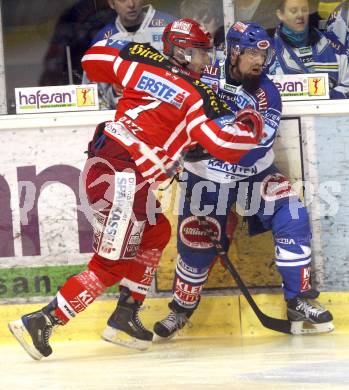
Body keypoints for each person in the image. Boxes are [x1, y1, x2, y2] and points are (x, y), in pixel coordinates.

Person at [8, 18, 265, 359]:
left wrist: (128, 52)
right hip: (123, 179)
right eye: (203, 53)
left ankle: (126, 315)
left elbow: (92, 61)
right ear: (185, 52)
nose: (209, 61)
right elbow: (228, 143)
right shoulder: (196, 96)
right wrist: (252, 121)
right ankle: (43, 320)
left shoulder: (142, 60)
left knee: (156, 232)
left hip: (110, 165)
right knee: (110, 265)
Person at [152, 21, 334, 340]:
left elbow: (252, 151)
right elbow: (170, 110)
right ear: (234, 52)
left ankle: (298, 300)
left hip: (255, 176)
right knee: (195, 244)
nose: (258, 62)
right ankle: (180, 309)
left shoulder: (268, 94)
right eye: (251, 53)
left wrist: (204, 143)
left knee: (293, 216)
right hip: (206, 180)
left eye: (263, 55)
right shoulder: (203, 76)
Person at [84, 0, 176, 109]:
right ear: (112, 4)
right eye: (123, 0)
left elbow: (193, 72)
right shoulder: (101, 40)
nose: (131, 4)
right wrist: (113, 90)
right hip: (123, 117)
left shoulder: (171, 27)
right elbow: (92, 96)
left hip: (169, 113)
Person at [268, 0, 349, 99]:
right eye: (294, 11)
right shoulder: (268, 51)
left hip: (330, 112)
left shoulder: (332, 45)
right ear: (280, 14)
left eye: (304, 10)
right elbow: (263, 92)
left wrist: (327, 100)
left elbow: (347, 83)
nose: (300, 15)